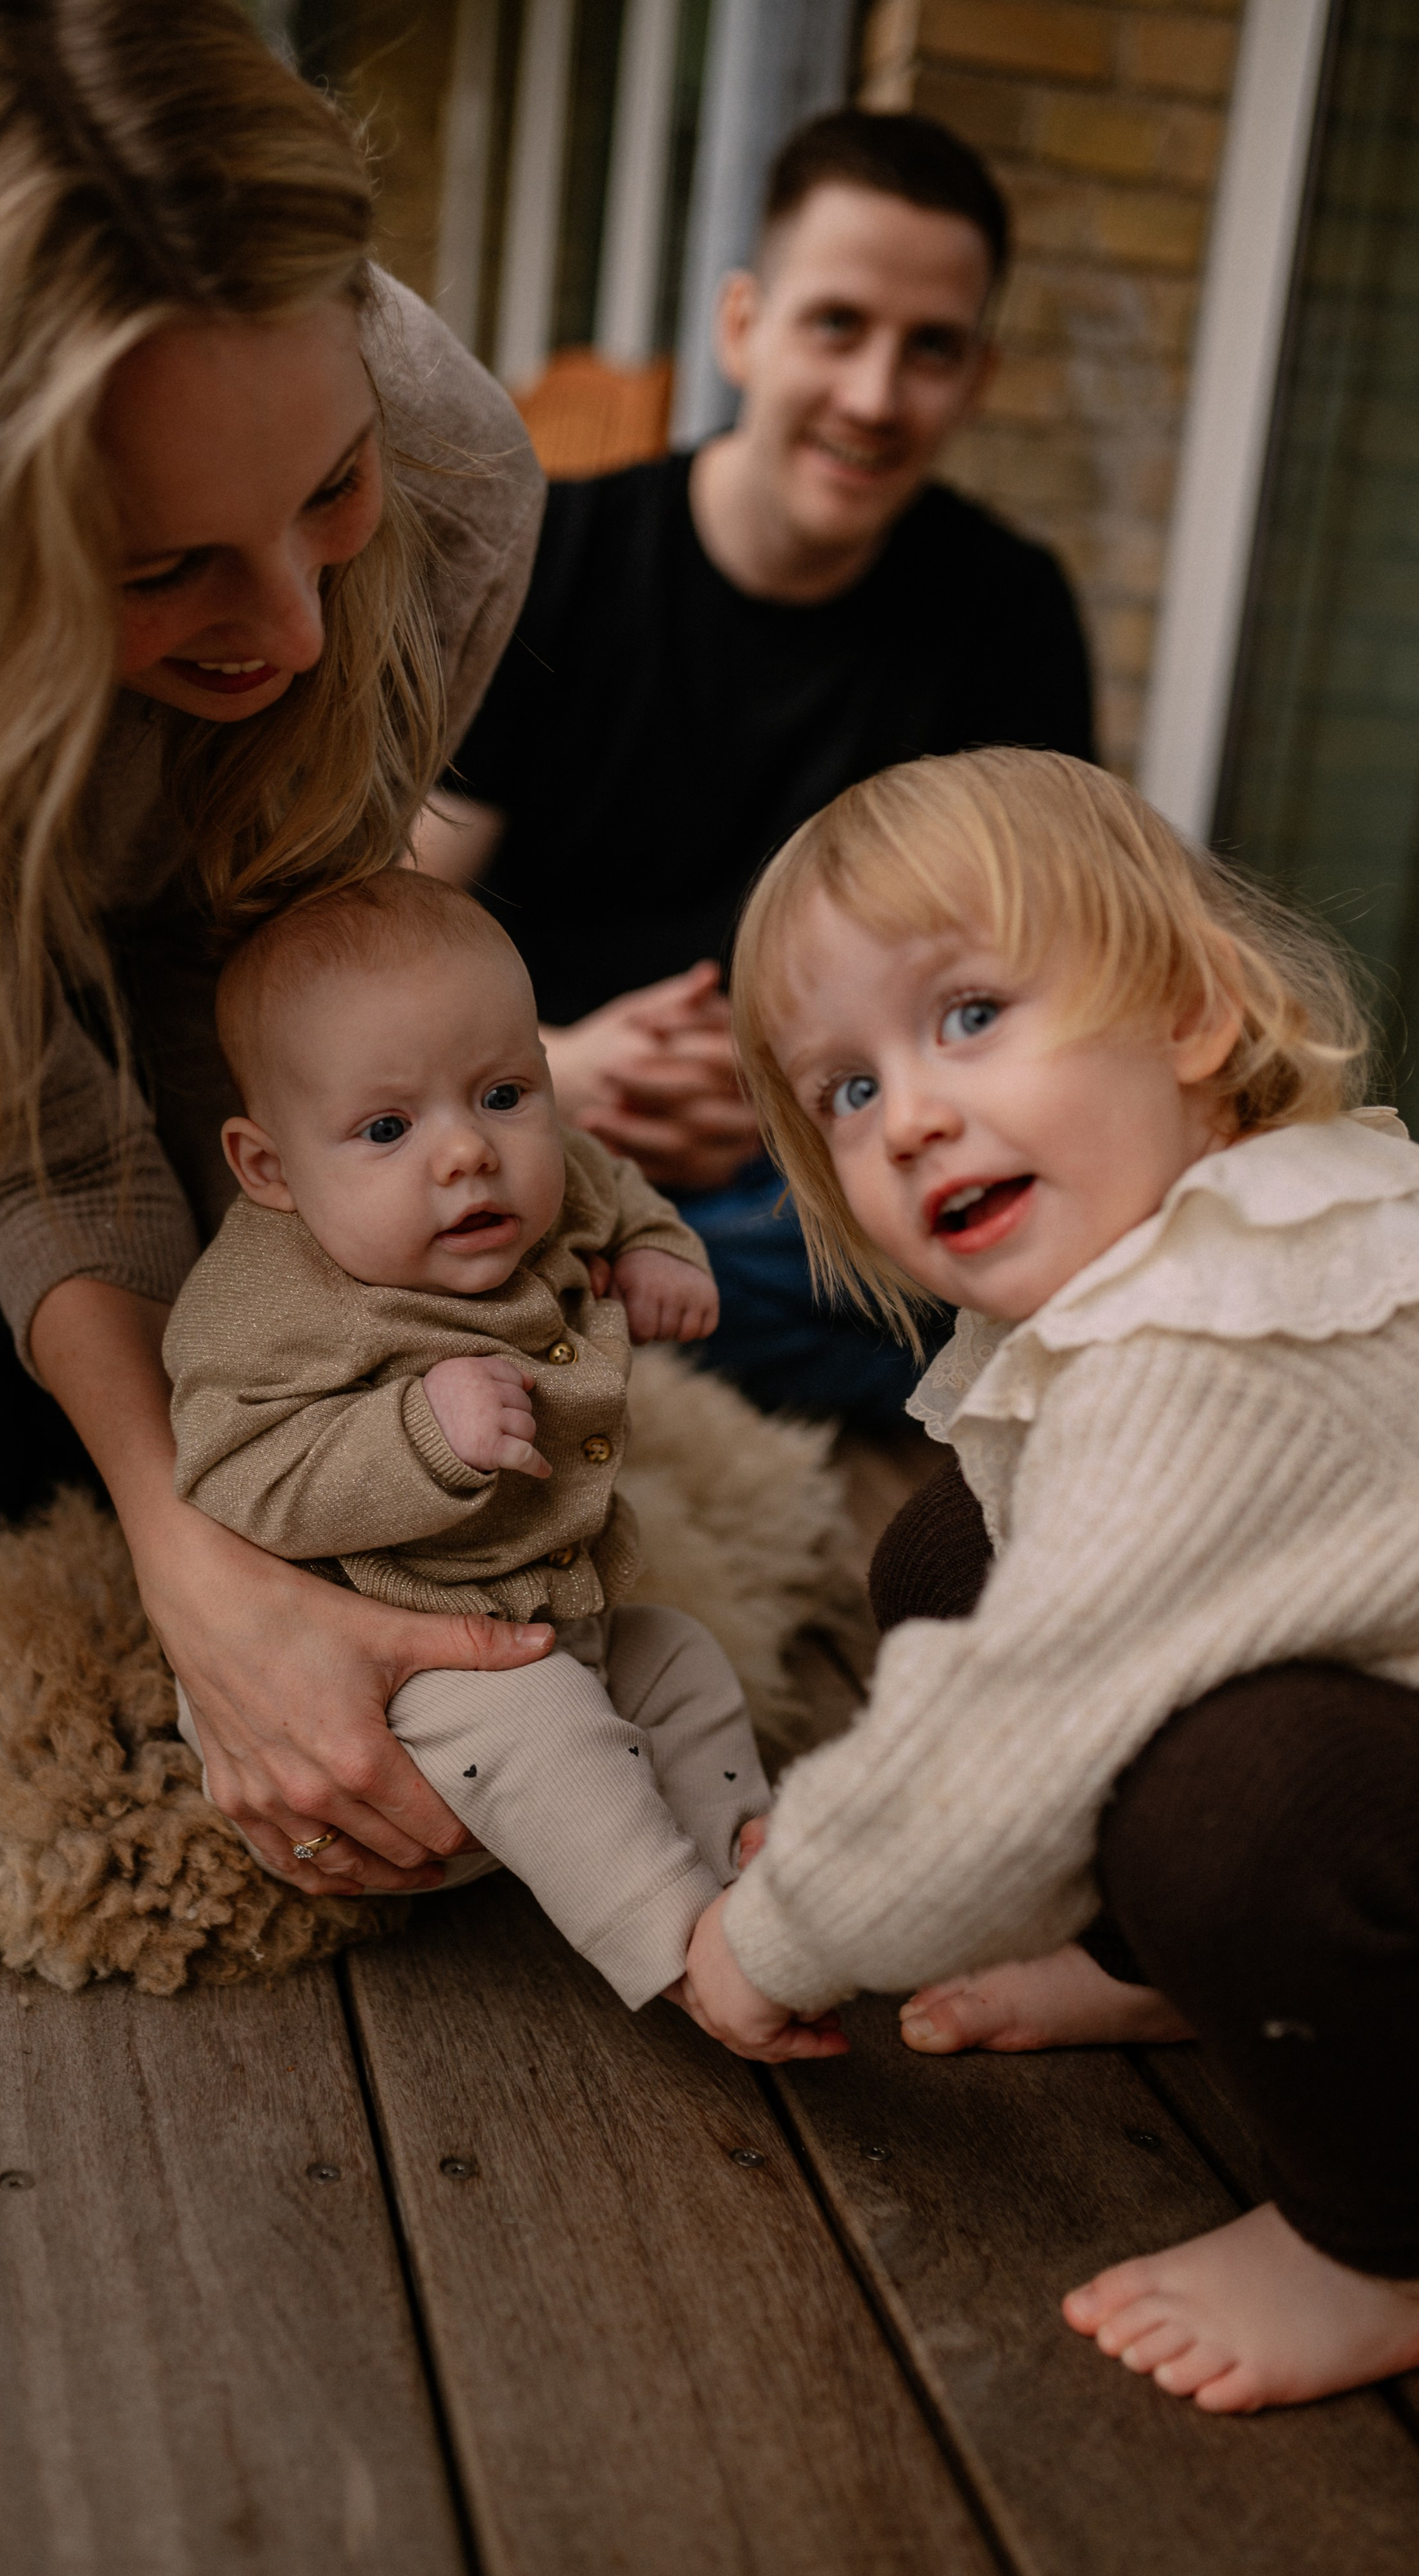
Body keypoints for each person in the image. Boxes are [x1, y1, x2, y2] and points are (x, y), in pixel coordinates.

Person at [0, 0, 556, 1902]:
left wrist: (284, 1445)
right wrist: (191, 1554)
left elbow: (260, 986)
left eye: (326, 493)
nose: (295, 630)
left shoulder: (455, 468)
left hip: (146, 937)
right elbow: (26, 1127)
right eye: (161, 567)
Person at [672, 747, 1419, 2412]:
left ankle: (1378, 2244)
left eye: (966, 1015)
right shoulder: (1219, 1230)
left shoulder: (1209, 1352)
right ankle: (1160, 1967)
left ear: (1189, 1016)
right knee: (959, 1543)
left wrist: (773, 1935)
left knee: (1239, 1800)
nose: (908, 1114)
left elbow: (1007, 1735)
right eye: (843, 1089)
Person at [416, 108, 1094, 1428]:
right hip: (532, 1122)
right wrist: (546, 1075)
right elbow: (385, 917)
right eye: (838, 324)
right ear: (743, 325)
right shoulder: (552, 558)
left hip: (832, 1160)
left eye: (932, 348)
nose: (875, 397)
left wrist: (816, 1104)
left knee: (1027, 1247)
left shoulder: (1009, 613)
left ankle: (579, 1320)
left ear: (980, 378)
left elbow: (1040, 989)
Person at [162, 869, 771, 2006]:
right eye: (389, 1128)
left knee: (680, 1660)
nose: (467, 1154)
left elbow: (612, 1185)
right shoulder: (263, 1304)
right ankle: (685, 1950)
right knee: (547, 1723)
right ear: (269, 1168)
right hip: (384, 1691)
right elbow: (233, 1473)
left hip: (560, 1630)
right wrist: (417, 1437)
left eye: (502, 1095)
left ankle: (747, 1864)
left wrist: (657, 1254)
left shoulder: (550, 1178)